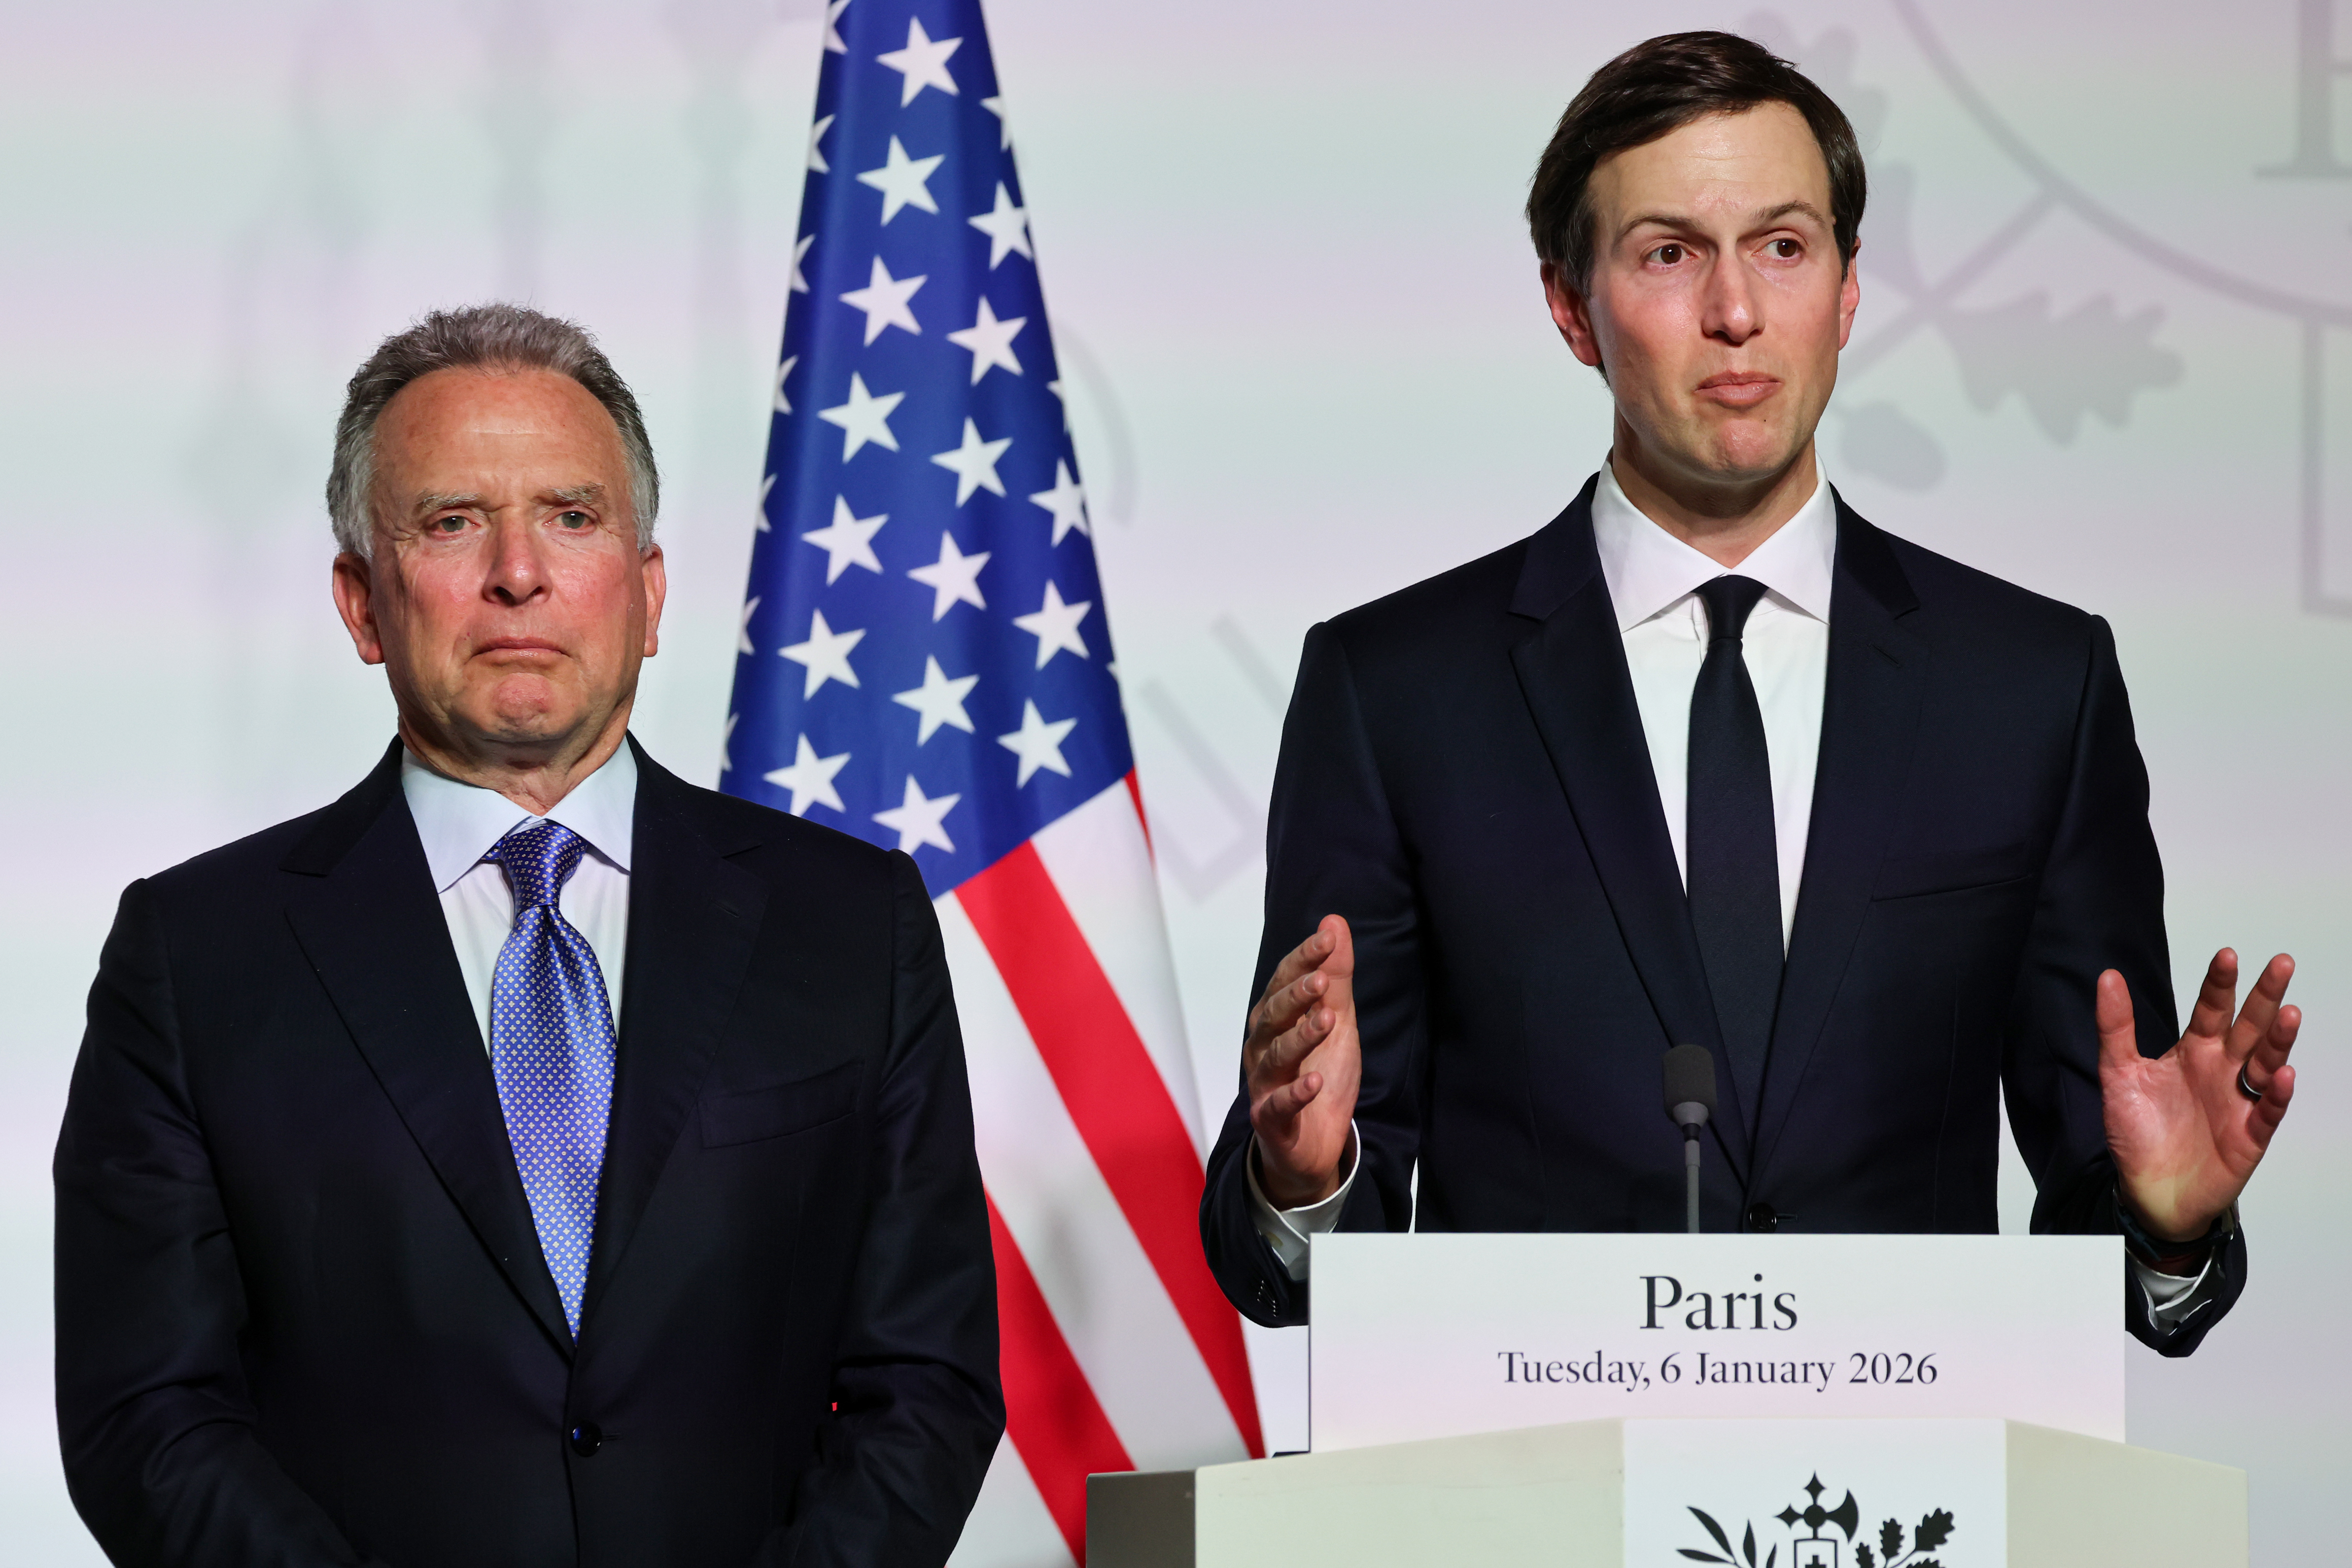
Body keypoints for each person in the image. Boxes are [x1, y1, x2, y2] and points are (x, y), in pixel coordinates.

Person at [1200, 32, 2300, 1355]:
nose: (1735, 309)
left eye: (1782, 244)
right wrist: (1304, 1175)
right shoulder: (1393, 692)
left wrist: (2162, 1219)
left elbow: (2099, 1188)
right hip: (1527, 1497)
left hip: (1901, 1509)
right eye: (1668, 252)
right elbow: (1302, 1259)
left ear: (1843, 290)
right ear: (1568, 305)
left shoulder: (2031, 689)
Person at [54, 304, 1001, 1566]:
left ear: (648, 592)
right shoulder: (193, 956)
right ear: (362, 602)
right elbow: (147, 1417)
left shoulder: (852, 926)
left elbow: (924, 1383)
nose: (518, 571)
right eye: (451, 522)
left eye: (571, 515)